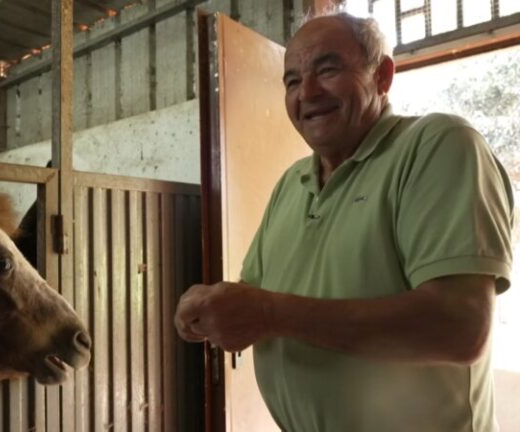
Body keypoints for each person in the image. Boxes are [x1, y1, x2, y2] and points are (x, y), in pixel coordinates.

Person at [174, 11, 513, 432]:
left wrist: (268, 313)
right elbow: (258, 293)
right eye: (292, 81)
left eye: (328, 69)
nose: (308, 92)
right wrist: (216, 305)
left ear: (382, 76)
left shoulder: (437, 147)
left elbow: (460, 326)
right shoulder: (292, 183)